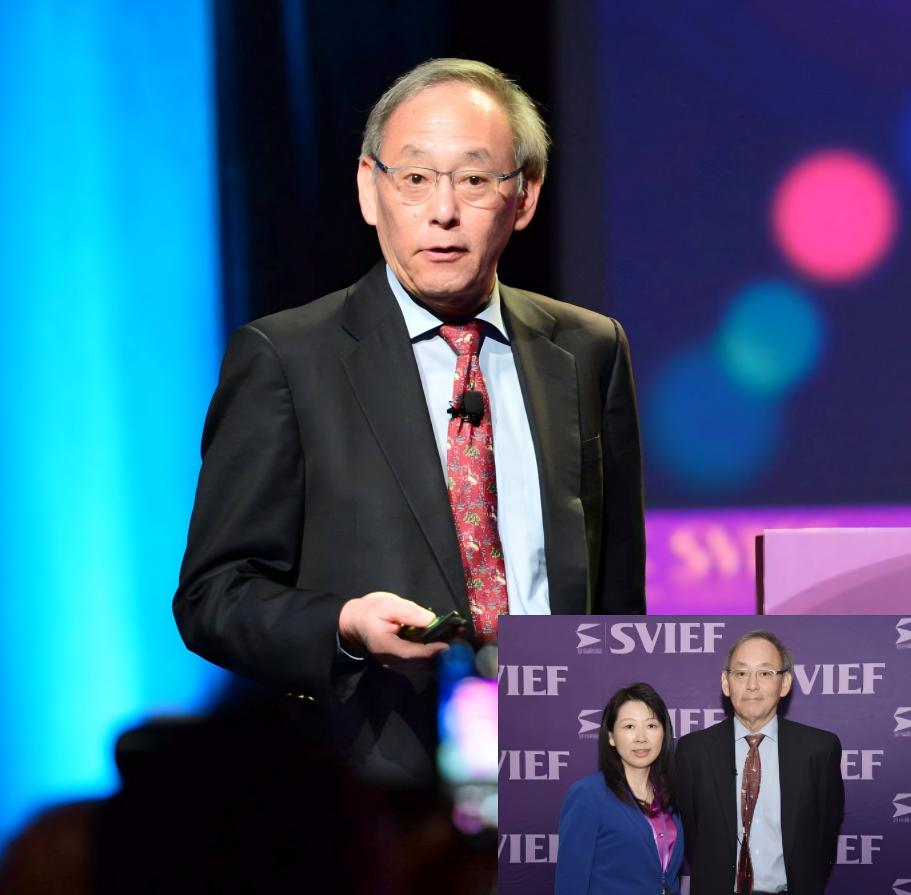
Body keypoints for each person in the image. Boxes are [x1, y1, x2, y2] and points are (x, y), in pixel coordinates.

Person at [173, 58, 645, 783]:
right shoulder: (288, 358)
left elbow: (618, 600)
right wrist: (345, 626)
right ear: (370, 189)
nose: (442, 210)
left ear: (523, 196)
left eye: (475, 178)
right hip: (380, 791)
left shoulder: (587, 349)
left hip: (569, 776)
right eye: (415, 178)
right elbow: (215, 595)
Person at [675, 630, 844, 895]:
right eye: (741, 673)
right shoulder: (693, 751)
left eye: (765, 673)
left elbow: (824, 838)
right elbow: (694, 837)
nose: (752, 684)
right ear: (726, 682)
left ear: (785, 683)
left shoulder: (819, 749)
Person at [555, 682, 684, 895]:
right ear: (611, 737)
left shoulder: (671, 794)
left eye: (651, 725)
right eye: (629, 726)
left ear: (664, 732)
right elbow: (570, 883)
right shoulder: (588, 795)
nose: (641, 737)